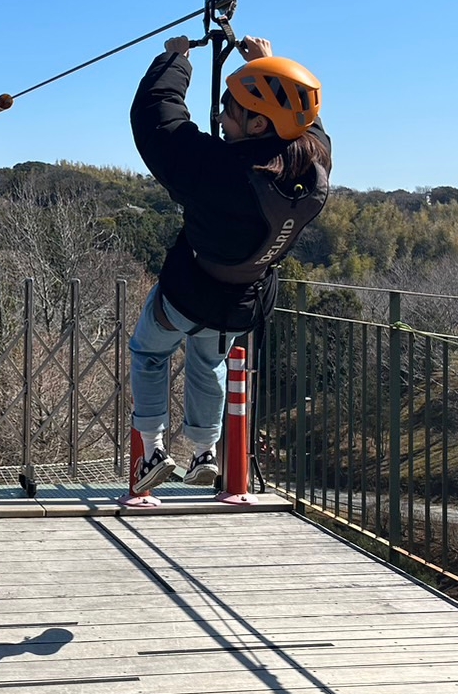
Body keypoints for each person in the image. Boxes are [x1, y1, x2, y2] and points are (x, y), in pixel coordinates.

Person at [129, 33, 331, 491]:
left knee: (149, 352)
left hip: (188, 293)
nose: (220, 117)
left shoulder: (217, 172)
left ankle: (153, 452)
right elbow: (307, 126)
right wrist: (269, 67)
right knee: (207, 363)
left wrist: (175, 61)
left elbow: (158, 119)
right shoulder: (313, 170)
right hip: (243, 302)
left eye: (229, 110)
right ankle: (204, 451)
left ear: (258, 124)